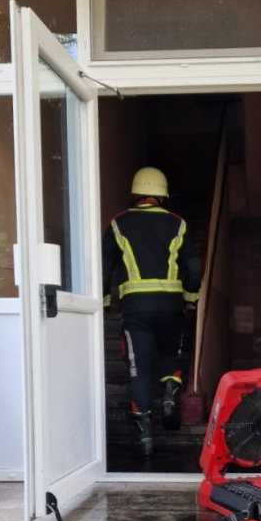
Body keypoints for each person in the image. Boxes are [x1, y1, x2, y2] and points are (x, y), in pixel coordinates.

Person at [102, 166, 202, 457]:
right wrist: (190, 297)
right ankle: (170, 393)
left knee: (139, 371)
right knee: (170, 355)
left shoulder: (118, 224)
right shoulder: (179, 223)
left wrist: (106, 302)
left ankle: (145, 436)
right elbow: (193, 268)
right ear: (162, 194)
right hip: (171, 305)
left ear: (136, 192)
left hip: (136, 310)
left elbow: (105, 265)